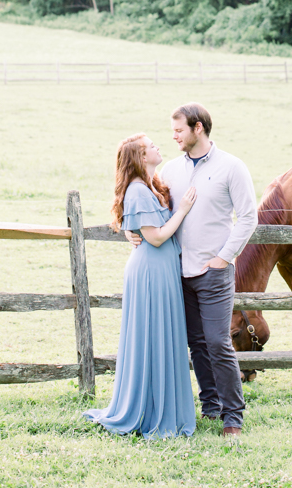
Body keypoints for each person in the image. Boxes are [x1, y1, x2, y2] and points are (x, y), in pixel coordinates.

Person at [126, 103, 258, 439]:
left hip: (213, 271)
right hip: (177, 274)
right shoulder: (169, 171)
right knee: (196, 343)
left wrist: (225, 257)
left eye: (179, 130)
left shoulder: (231, 167)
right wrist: (131, 230)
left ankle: (233, 417)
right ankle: (211, 405)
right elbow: (146, 205)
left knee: (217, 342)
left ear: (198, 128)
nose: (174, 136)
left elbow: (248, 217)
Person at [83, 133, 197, 439]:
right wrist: (182, 210)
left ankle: (159, 403)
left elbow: (139, 226)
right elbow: (157, 236)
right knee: (152, 336)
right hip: (151, 271)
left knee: (163, 335)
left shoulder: (151, 185)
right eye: (151, 147)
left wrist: (129, 230)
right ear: (141, 157)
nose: (158, 147)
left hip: (162, 268)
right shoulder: (137, 190)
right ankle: (148, 409)